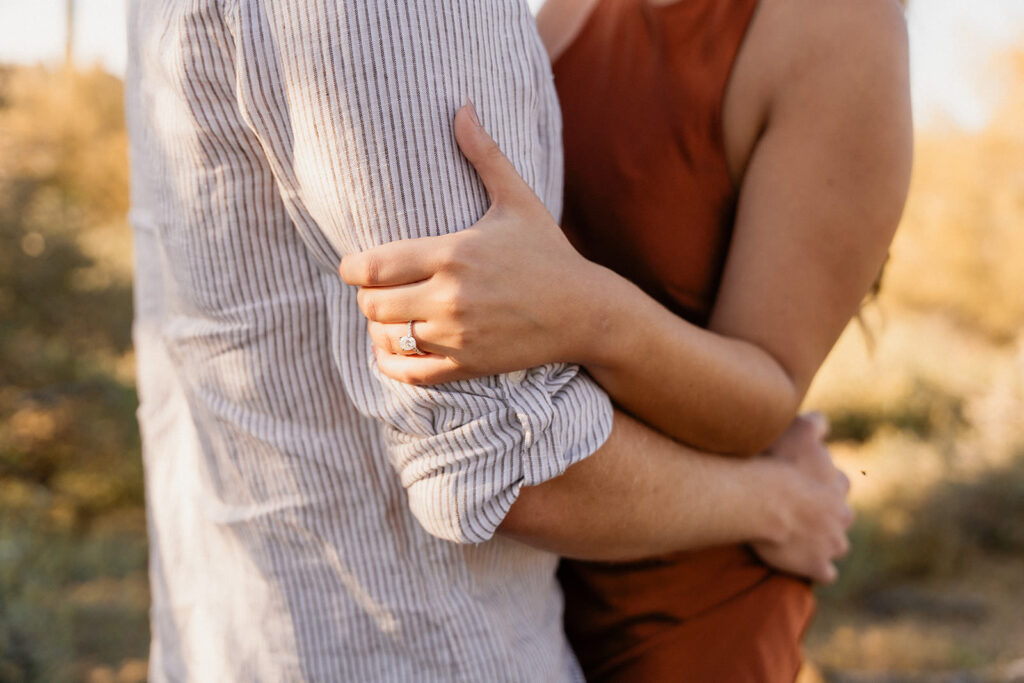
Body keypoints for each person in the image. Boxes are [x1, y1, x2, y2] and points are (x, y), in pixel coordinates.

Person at [128, 0, 852, 679]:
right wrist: (778, 501)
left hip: (651, 600)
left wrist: (597, 314)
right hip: (423, 634)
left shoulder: (829, 32)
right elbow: (500, 463)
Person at [339, 0, 912, 679]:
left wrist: (589, 311)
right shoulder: (571, 8)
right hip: (515, 586)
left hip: (672, 616)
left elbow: (768, 391)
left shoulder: (837, 25)